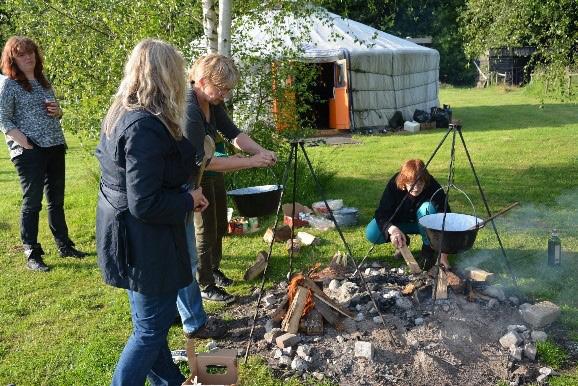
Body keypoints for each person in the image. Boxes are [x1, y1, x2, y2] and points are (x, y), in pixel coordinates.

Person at [95, 38, 208, 386]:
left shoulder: (125, 112)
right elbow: (144, 202)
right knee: (149, 329)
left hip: (133, 233)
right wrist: (189, 200)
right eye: (177, 71)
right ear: (165, 76)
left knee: (151, 323)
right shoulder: (142, 125)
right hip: (144, 240)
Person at [183, 53, 277, 304]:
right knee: (203, 228)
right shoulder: (188, 107)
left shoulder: (212, 103)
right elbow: (202, 161)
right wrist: (250, 162)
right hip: (190, 174)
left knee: (218, 223)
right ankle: (204, 283)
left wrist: (259, 151)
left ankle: (213, 268)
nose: (224, 95)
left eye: (227, 90)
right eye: (221, 89)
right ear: (202, 81)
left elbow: (233, 133)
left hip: (210, 168)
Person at [0, 36, 86, 272]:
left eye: (31, 52)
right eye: (21, 54)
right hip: (30, 151)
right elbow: (3, 118)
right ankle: (32, 252)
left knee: (56, 201)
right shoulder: (9, 84)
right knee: (32, 201)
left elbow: (56, 113)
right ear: (12, 59)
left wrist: (58, 111)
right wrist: (25, 143)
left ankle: (64, 245)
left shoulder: (43, 81)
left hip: (55, 146)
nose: (28, 57)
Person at [365, 159, 451, 268]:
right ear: (404, 182)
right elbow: (382, 213)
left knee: (427, 208)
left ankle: (428, 249)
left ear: (425, 181)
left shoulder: (432, 185)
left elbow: (445, 217)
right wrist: (392, 229)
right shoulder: (394, 185)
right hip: (399, 223)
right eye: (412, 184)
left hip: (424, 225)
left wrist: (443, 255)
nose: (416, 188)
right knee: (372, 232)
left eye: (420, 183)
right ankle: (403, 240)